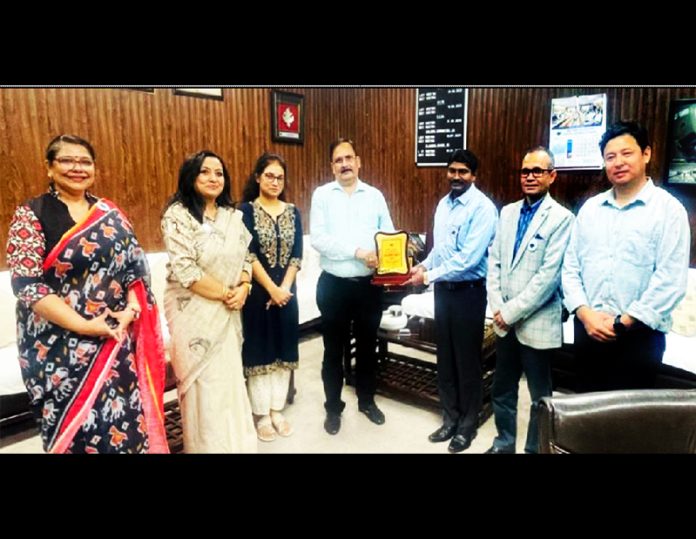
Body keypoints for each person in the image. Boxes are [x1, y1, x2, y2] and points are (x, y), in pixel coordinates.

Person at [6, 134, 169, 453]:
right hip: (60, 352)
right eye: (67, 160)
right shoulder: (32, 214)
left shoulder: (111, 214)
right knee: (78, 434)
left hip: (115, 339)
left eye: (85, 161)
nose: (77, 168)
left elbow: (136, 270)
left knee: (124, 425)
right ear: (49, 168)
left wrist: (131, 311)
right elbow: (26, 284)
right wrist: (83, 325)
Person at [562, 121, 690, 392]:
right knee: (585, 413)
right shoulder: (590, 209)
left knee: (628, 423)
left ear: (646, 154)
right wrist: (585, 315)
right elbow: (570, 267)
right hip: (588, 331)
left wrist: (624, 322)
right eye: (610, 157)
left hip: (639, 337)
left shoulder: (669, 211)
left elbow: (670, 281)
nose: (618, 162)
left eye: (626, 153)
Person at [161, 150, 256, 453]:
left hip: (228, 312)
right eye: (205, 172)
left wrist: (244, 285)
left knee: (229, 385)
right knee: (205, 388)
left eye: (219, 173)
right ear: (191, 176)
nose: (214, 178)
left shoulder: (233, 216)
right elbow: (185, 270)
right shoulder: (177, 215)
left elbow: (247, 257)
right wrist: (227, 294)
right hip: (193, 314)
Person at [404, 148, 497, 453]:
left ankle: (466, 427)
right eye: (452, 171)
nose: (456, 177)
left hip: (469, 293)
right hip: (444, 292)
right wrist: (424, 266)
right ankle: (449, 419)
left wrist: (428, 277)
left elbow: (469, 260)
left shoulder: (483, 209)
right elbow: (440, 250)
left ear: (474, 175)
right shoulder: (443, 205)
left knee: (467, 362)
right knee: (444, 358)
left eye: (463, 172)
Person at [485, 146, 574, 454]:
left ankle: (535, 450)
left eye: (537, 171)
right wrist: (498, 306)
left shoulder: (562, 218)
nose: (530, 177)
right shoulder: (507, 212)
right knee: (502, 388)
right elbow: (493, 261)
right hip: (504, 321)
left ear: (552, 176)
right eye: (525, 171)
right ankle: (504, 442)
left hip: (535, 322)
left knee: (540, 398)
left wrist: (509, 312)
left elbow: (548, 279)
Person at [310, 138, 395, 435]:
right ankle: (333, 407)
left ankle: (367, 401)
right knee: (333, 350)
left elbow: (389, 234)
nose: (344, 164)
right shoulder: (322, 196)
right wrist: (359, 252)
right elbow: (319, 239)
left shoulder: (374, 196)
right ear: (331, 166)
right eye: (338, 160)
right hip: (333, 287)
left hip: (368, 287)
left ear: (359, 161)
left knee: (368, 348)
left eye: (349, 158)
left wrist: (387, 254)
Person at [239, 152, 302, 442]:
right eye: (269, 176)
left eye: (280, 177)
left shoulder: (293, 211)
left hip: (288, 294)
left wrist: (284, 289)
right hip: (256, 294)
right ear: (257, 178)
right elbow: (248, 254)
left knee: (284, 350)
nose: (275, 182)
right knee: (260, 352)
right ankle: (261, 414)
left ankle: (277, 409)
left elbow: (296, 255)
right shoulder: (245, 212)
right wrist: (272, 289)